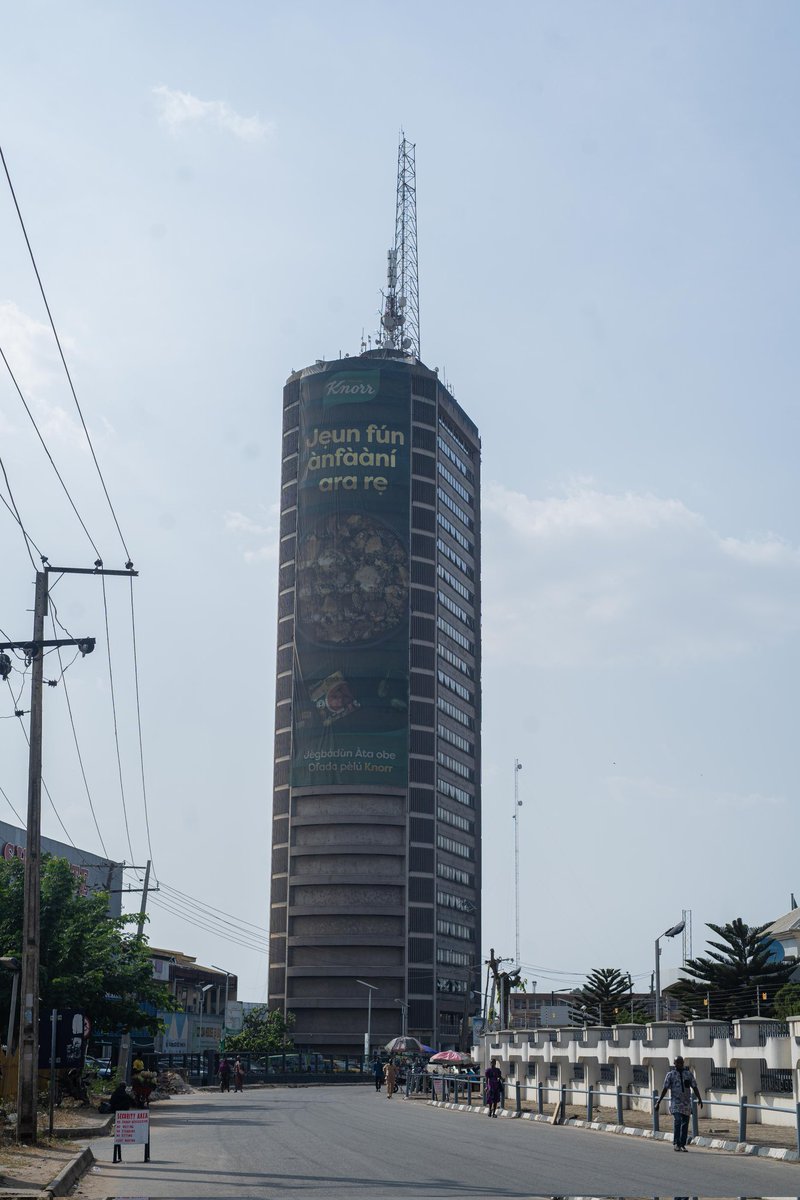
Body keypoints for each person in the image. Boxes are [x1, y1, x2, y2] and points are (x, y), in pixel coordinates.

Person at [655, 1055, 703, 1151]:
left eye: (681, 1063)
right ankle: (676, 1143)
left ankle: (682, 1144)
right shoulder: (670, 1075)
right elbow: (665, 1089)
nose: (680, 1065)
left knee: (685, 1123)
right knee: (678, 1121)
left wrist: (699, 1098)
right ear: (674, 1064)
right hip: (675, 1103)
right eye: (678, 1063)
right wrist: (658, 1101)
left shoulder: (688, 1074)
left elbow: (694, 1086)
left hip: (686, 1103)